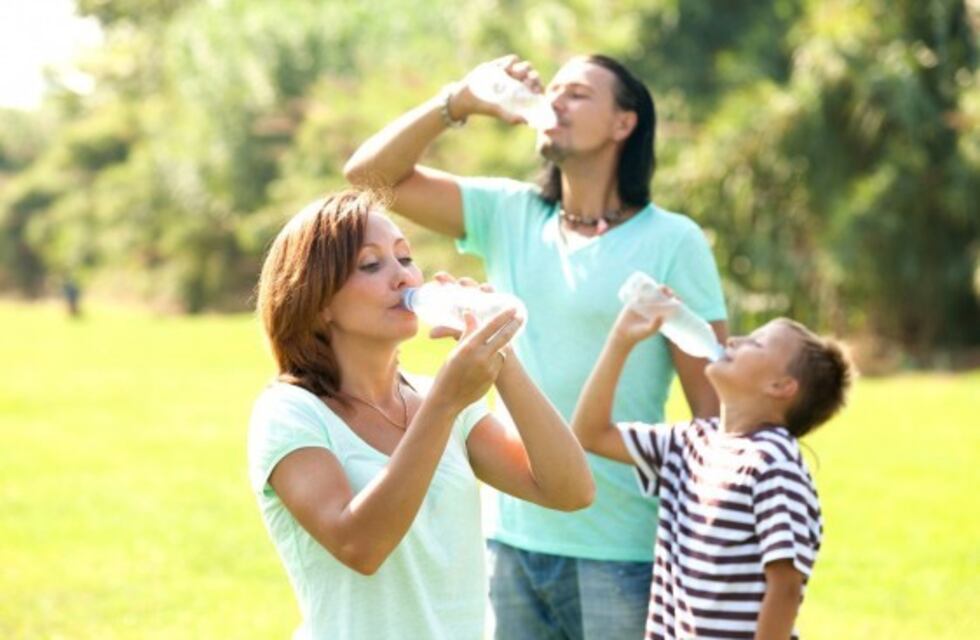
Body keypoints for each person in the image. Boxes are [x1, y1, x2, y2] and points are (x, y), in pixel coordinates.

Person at [345, 54, 728, 638]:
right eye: (553, 91)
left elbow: (715, 414)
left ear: (624, 123)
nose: (556, 102)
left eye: (577, 94)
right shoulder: (510, 213)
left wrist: (716, 545)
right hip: (509, 538)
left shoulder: (674, 241)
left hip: (622, 546)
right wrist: (460, 101)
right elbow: (369, 178)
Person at [247, 190, 595, 640]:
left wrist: (501, 355)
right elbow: (361, 545)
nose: (404, 277)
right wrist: (445, 404)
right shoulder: (290, 413)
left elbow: (570, 489)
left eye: (406, 258)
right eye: (371, 265)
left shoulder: (441, 399)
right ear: (318, 302)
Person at [571, 295, 852, 639]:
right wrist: (620, 340)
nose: (733, 340)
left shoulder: (774, 464)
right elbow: (590, 433)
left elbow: (786, 587)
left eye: (756, 343)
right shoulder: (688, 443)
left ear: (780, 387)